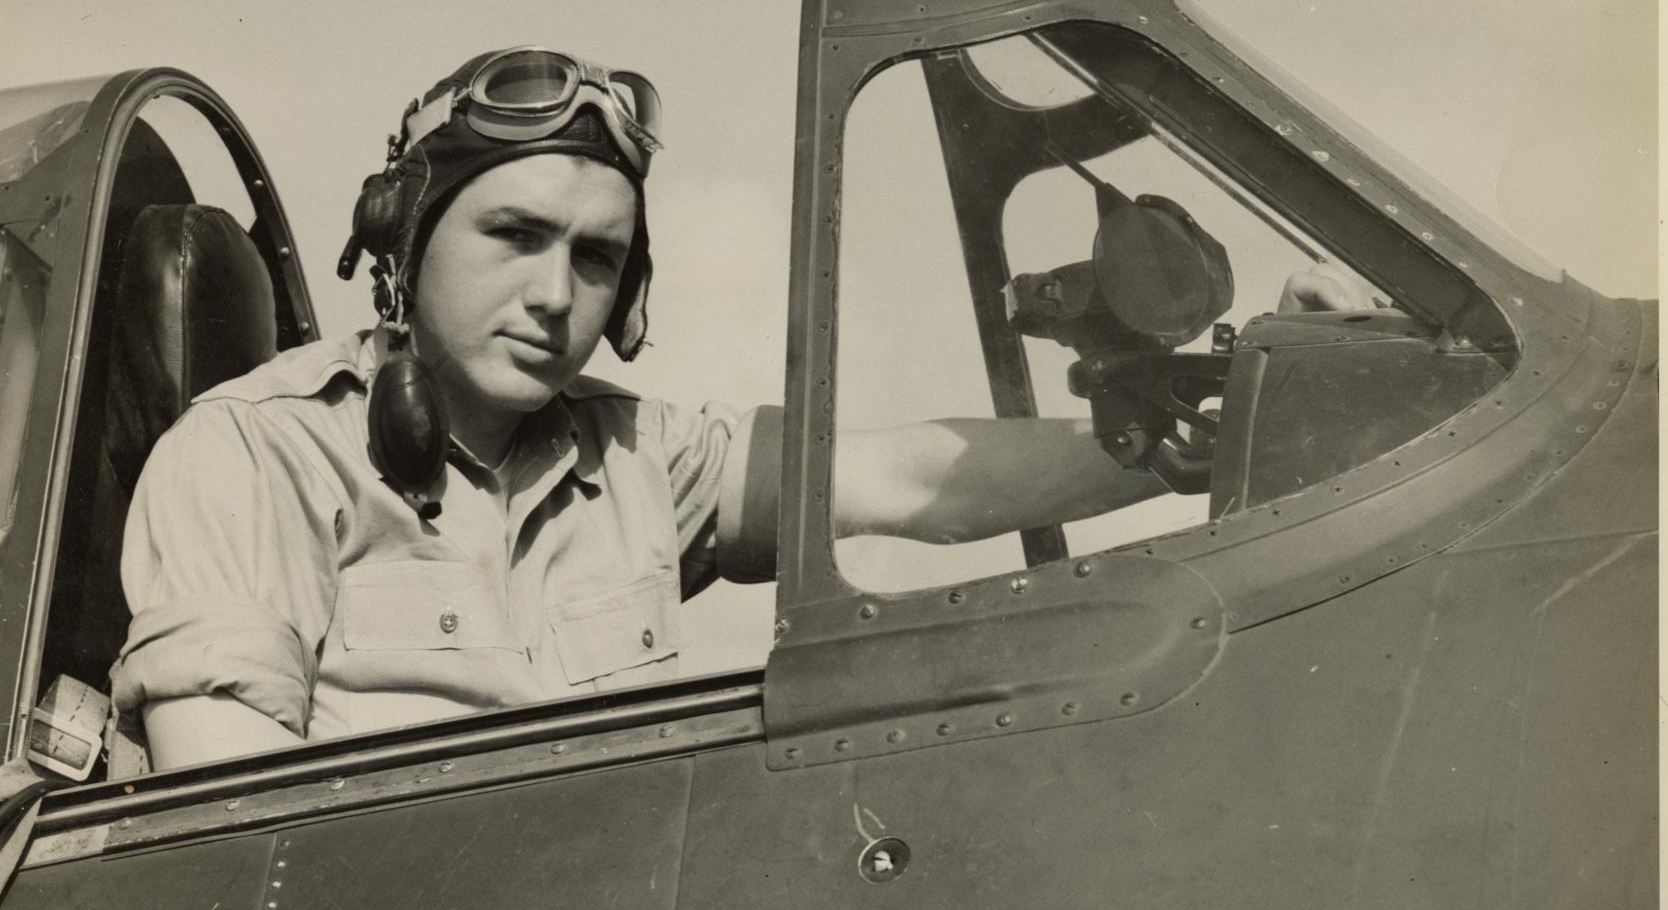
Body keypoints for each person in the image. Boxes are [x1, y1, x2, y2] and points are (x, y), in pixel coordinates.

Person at [111, 46, 1370, 771]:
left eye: (597, 259)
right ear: (404, 237)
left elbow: (915, 484)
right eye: (514, 235)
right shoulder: (254, 457)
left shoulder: (637, 455)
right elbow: (226, 840)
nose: (554, 294)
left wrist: (1223, 422)